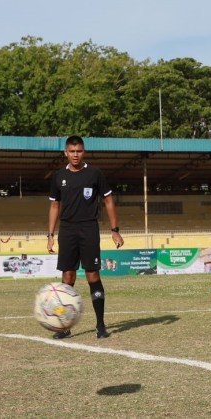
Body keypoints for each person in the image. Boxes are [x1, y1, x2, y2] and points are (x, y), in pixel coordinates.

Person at [47, 135, 124, 339]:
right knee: (68, 277)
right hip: (67, 230)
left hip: (89, 229)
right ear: (65, 153)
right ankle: (64, 326)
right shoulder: (58, 177)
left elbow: (108, 201)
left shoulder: (94, 174)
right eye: (72, 151)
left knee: (93, 276)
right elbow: (55, 205)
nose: (75, 155)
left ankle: (100, 325)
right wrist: (50, 234)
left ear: (84, 152)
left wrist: (115, 230)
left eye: (79, 151)